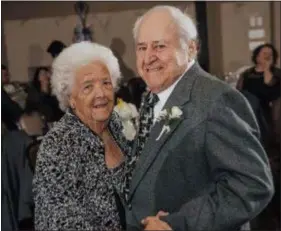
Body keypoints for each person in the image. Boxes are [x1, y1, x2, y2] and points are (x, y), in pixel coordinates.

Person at [123, 5, 274, 231]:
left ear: (191, 48)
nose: (148, 57)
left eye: (160, 46)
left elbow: (252, 184)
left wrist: (179, 223)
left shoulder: (216, 99)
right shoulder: (152, 97)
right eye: (142, 48)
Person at [33, 42, 131, 231]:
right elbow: (58, 225)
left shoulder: (115, 125)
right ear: (71, 98)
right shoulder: (58, 145)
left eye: (106, 83)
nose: (101, 93)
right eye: (88, 87)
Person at [236, 43, 281, 143]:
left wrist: (266, 68)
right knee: (247, 98)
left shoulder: (276, 73)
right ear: (257, 56)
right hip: (247, 105)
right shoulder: (247, 74)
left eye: (270, 54)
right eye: (264, 53)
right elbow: (238, 92)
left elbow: (269, 84)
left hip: (265, 106)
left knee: (252, 101)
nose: (267, 56)